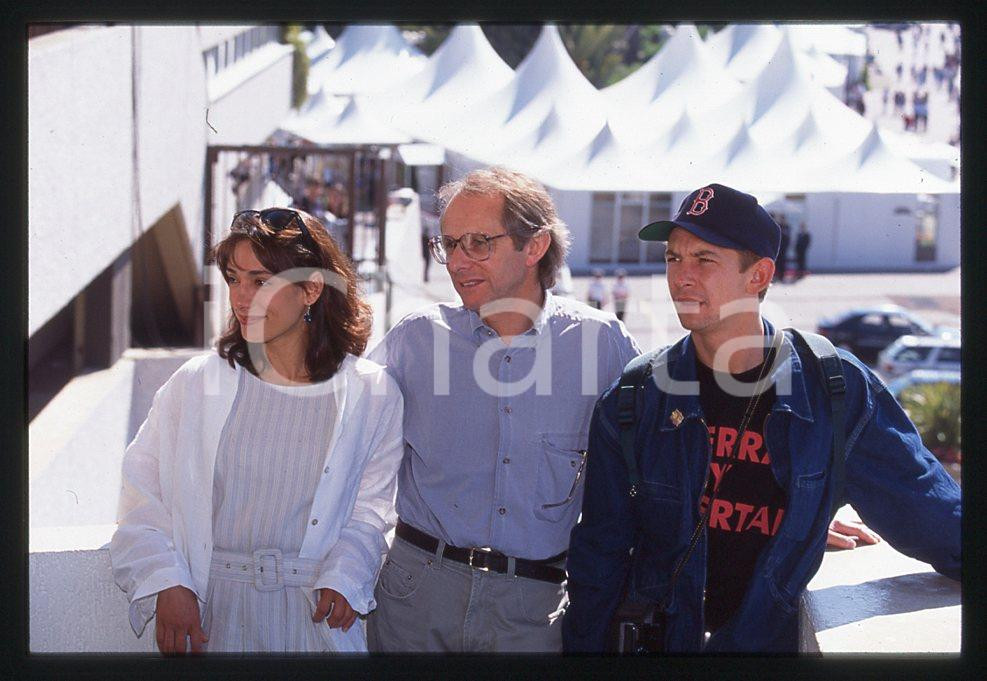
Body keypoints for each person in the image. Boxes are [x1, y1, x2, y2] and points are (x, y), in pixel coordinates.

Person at [563, 183, 961, 653]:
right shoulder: (637, 396)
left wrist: (807, 525)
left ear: (759, 275)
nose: (680, 277)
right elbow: (599, 559)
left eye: (703, 259)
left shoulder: (833, 390)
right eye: (673, 258)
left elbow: (935, 517)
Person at [365, 166, 640, 652]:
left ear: (534, 247)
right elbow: (347, 448)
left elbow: (657, 465)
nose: (457, 261)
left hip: (533, 612)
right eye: (449, 244)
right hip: (413, 598)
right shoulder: (414, 340)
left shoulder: (605, 344)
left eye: (477, 242)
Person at [109, 208, 404, 654]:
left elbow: (373, 511)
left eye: (261, 281)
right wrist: (167, 581)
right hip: (213, 619)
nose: (241, 298)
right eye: (233, 279)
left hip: (316, 620)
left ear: (311, 289)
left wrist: (346, 576)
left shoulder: (372, 392)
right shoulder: (197, 383)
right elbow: (140, 495)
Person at [774, 215, 790, 283]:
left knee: (783, 262)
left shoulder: (787, 227)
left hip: (784, 248)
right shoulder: (778, 226)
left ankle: (782, 275)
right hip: (778, 248)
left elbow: (788, 238)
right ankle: (777, 275)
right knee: (777, 262)